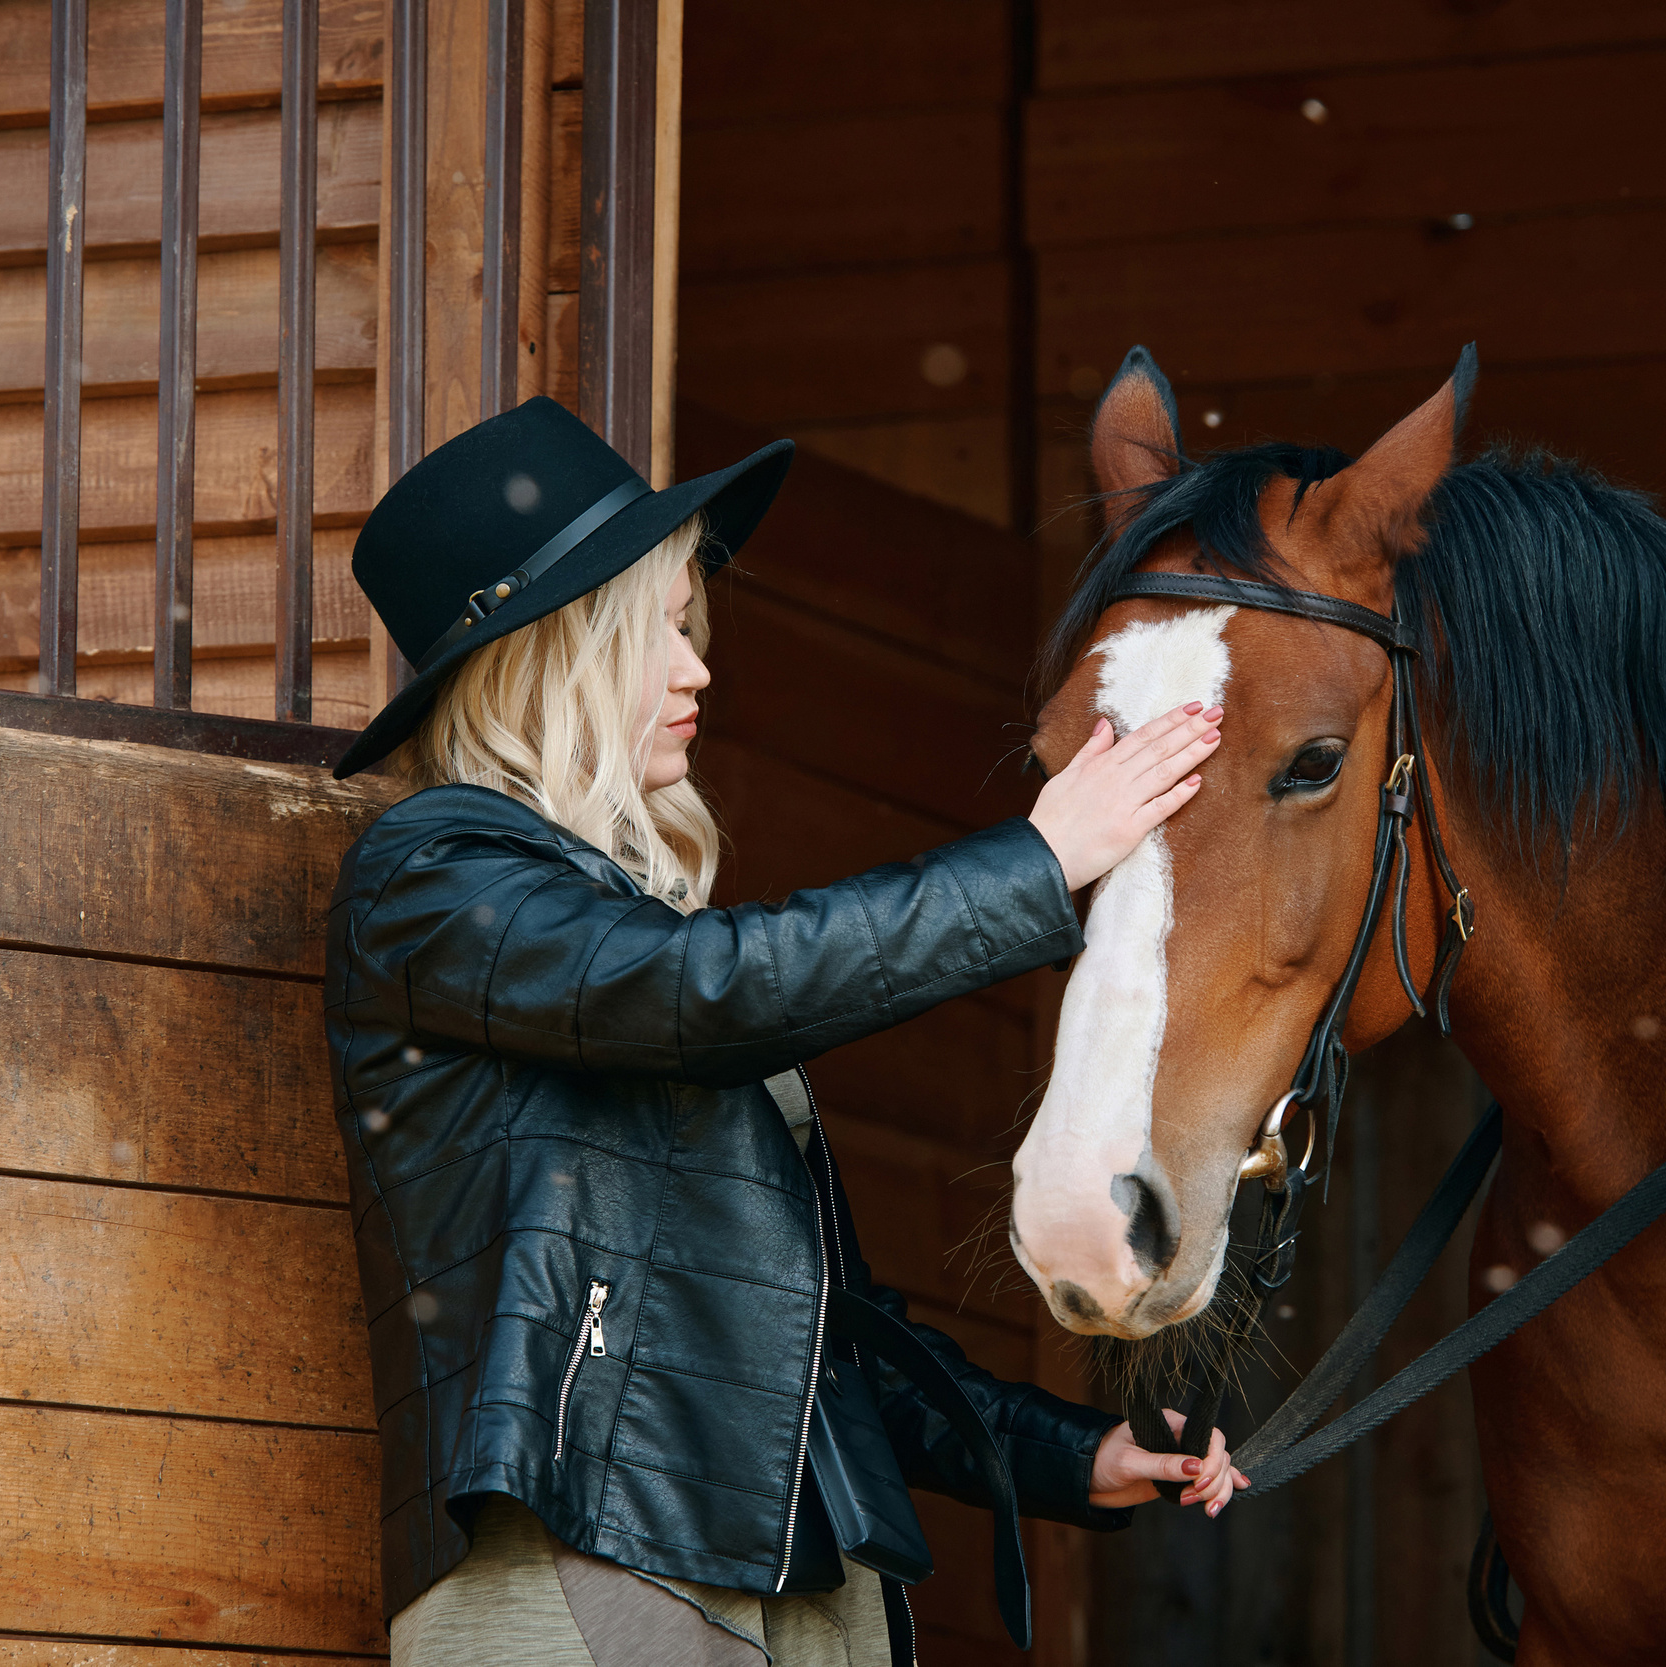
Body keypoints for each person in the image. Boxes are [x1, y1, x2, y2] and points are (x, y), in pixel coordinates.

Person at [324, 398, 1248, 1667]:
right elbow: (701, 993)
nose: (699, 666)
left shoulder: (623, 922)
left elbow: (823, 1321)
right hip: (587, 1539)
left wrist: (1063, 1452)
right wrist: (1037, 862)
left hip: (803, 1563)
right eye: (658, 633)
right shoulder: (427, 879)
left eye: (689, 627)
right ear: (555, 657)